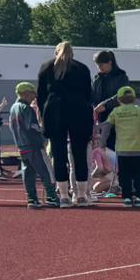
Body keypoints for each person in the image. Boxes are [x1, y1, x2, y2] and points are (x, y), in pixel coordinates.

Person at [37, 41, 94, 205]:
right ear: (72, 53)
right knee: (79, 154)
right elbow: (89, 95)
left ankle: (63, 195)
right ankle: (81, 195)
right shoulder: (81, 68)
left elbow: (41, 95)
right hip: (79, 112)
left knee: (58, 155)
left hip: (54, 113)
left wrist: (43, 115)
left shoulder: (46, 67)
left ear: (56, 52)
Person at [103, 86, 140, 208]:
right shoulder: (137, 110)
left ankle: (127, 197)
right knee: (139, 174)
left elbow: (107, 126)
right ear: (134, 99)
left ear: (118, 99)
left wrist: (103, 142)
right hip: (137, 149)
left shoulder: (115, 111)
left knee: (124, 174)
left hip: (122, 151)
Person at [6, 82, 60, 208]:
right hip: (34, 145)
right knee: (46, 171)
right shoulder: (26, 108)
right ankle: (52, 196)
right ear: (26, 94)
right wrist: (45, 132)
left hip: (22, 146)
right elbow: (33, 126)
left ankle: (32, 198)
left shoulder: (13, 108)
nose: (34, 97)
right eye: (32, 94)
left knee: (28, 173)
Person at [91, 50, 130, 121]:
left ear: (109, 62)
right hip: (101, 117)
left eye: (101, 65)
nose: (99, 68)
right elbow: (93, 96)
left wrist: (105, 105)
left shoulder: (121, 76)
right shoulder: (97, 78)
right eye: (97, 65)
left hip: (118, 117)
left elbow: (122, 95)